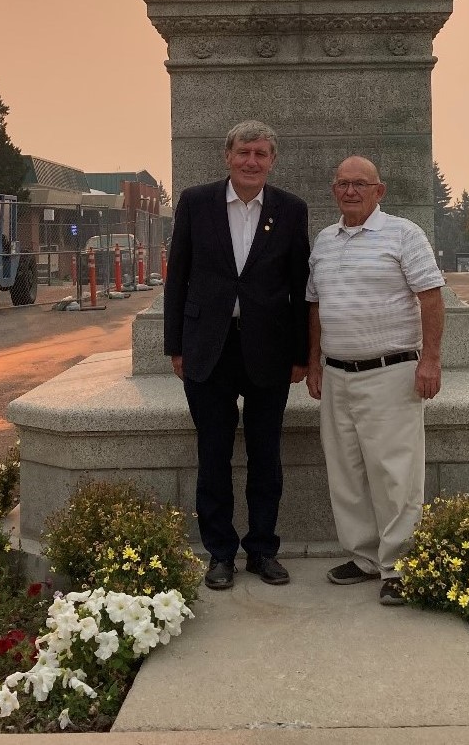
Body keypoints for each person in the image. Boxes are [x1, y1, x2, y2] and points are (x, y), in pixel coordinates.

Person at [164, 121, 310, 590]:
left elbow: (299, 285)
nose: (252, 161)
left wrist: (302, 353)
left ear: (272, 161)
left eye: (261, 154)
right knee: (213, 456)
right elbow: (178, 278)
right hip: (208, 349)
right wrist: (175, 345)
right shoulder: (195, 202)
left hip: (269, 350)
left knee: (267, 457)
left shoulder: (291, 210)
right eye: (244, 152)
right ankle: (220, 554)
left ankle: (263, 549)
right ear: (227, 156)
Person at [306, 156, 444, 605]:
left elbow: (430, 297)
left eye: (360, 184)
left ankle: (400, 564)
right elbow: (314, 306)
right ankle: (365, 557)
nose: (350, 191)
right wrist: (313, 362)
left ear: (379, 191)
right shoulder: (324, 241)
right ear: (334, 190)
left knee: (395, 473)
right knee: (346, 471)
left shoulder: (404, 235)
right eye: (342, 184)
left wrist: (431, 361)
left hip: (392, 372)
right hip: (337, 374)